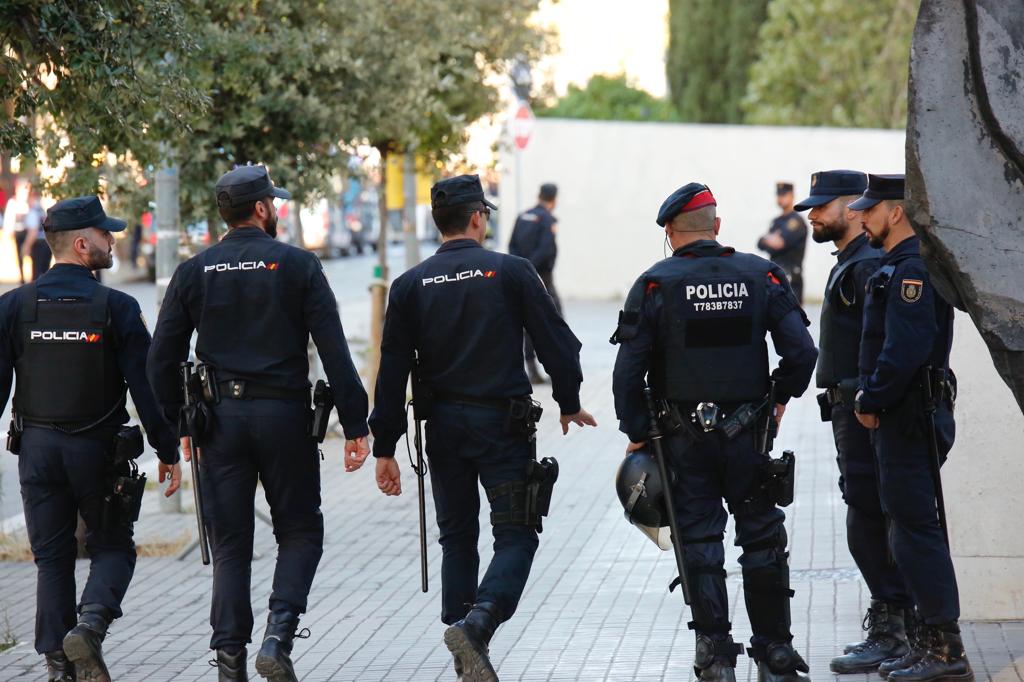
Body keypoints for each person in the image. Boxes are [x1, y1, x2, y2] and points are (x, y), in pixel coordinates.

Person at [146, 165, 371, 682]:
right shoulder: (298, 266)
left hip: (218, 422)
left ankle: (230, 663)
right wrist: (357, 426)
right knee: (299, 531)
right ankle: (278, 636)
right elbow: (335, 352)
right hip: (286, 418)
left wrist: (179, 425)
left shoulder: (193, 271)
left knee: (229, 545)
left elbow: (160, 361)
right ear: (264, 209)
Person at [368, 174, 596, 682]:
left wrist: (385, 445)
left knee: (457, 539)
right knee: (516, 534)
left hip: (443, 429)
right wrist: (568, 401)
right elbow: (558, 341)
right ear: (476, 217)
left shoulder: (409, 286)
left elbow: (392, 371)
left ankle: (462, 643)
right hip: (502, 427)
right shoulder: (511, 272)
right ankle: (479, 624)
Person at [612, 183, 817, 682]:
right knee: (762, 537)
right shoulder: (762, 274)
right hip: (748, 437)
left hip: (682, 440)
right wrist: (779, 399)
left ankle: (716, 654)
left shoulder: (655, 284)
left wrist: (638, 430)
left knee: (699, 541)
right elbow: (803, 353)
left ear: (669, 232)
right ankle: (776, 652)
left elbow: (626, 375)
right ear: (717, 227)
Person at [0, 195, 180, 682]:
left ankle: (59, 666)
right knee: (114, 548)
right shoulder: (117, 308)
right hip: (97, 454)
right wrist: (169, 450)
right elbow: (147, 389)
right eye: (105, 234)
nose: (113, 239)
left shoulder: (14, 307)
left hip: (36, 452)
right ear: (82, 245)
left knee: (52, 559)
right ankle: (90, 625)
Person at [851, 174, 972, 682]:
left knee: (917, 532)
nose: (862, 217)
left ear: (895, 212)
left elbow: (905, 350)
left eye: (871, 210)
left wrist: (870, 397)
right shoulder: (898, 266)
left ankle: (946, 651)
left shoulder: (912, 271)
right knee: (906, 531)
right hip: (903, 415)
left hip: (907, 416)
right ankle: (926, 641)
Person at [794, 170, 912, 673]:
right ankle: (894, 622)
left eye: (823, 207)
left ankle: (896, 628)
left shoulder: (867, 265)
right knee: (867, 512)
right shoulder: (853, 260)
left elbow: (885, 342)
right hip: (852, 407)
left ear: (851, 207)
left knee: (871, 516)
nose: (814, 216)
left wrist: (869, 400)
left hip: (865, 412)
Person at [508, 182, 560, 384]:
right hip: (543, 278)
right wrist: (531, 269)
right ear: (554, 199)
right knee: (554, 321)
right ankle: (557, 369)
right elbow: (546, 249)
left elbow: (511, 245)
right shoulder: (547, 219)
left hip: (520, 277)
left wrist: (520, 268)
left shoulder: (522, 216)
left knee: (525, 322)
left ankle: (532, 369)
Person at [757, 182, 809, 303]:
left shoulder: (795, 221)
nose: (780, 198)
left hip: (791, 277)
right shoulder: (776, 221)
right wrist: (768, 241)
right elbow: (760, 243)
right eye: (779, 195)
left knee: (792, 315)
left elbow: (779, 244)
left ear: (791, 196)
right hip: (774, 275)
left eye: (784, 195)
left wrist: (768, 240)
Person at [22, 194, 52, 281]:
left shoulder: (33, 212)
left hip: (38, 243)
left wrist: (26, 246)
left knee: (37, 271)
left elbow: (33, 232)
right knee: (45, 270)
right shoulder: (43, 210)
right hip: (47, 242)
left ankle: (36, 293)